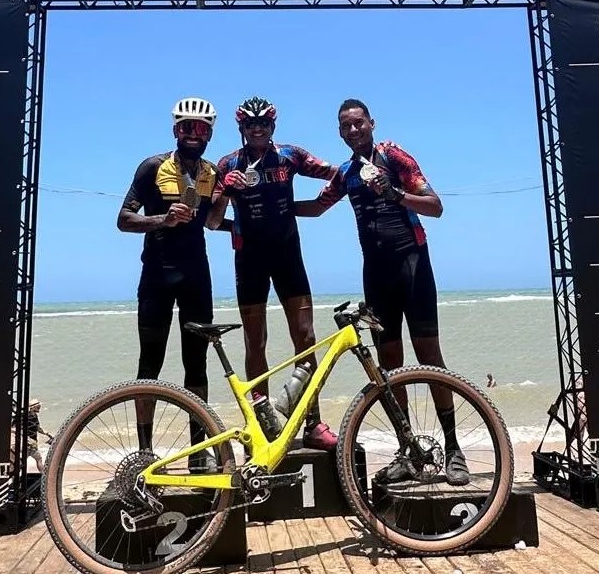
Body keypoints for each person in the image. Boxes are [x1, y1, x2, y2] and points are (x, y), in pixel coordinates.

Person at [295, 98, 469, 485]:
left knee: (429, 359)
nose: (353, 131)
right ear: (340, 133)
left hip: (413, 266)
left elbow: (436, 207)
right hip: (376, 275)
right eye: (345, 127)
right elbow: (319, 207)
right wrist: (275, 206)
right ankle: (408, 451)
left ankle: (454, 448)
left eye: (358, 123)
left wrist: (393, 194)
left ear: (371, 123)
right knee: (387, 368)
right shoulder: (346, 172)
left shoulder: (394, 156)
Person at [213, 96, 338, 451]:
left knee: (306, 338)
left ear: (273, 126)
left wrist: (319, 205)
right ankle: (261, 426)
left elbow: (336, 174)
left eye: (264, 124)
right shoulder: (228, 164)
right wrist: (227, 193)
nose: (258, 129)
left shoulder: (290, 156)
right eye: (251, 124)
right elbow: (209, 220)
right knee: (256, 343)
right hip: (249, 259)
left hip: (288, 256)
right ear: (240, 128)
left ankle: (311, 421)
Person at [117, 97, 222, 471]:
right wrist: (162, 219)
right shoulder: (152, 167)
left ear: (210, 133)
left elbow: (211, 223)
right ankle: (145, 453)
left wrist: (239, 217)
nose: (194, 134)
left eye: (202, 128)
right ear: (175, 130)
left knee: (197, 365)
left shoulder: (212, 172)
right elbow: (124, 219)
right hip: (157, 276)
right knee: (150, 363)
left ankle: (198, 453)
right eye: (187, 127)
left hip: (197, 276)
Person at [26, 398, 52, 471]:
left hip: (30, 442)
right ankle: (43, 475)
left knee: (24, 460)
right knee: (39, 459)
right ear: (32, 407)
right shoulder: (28, 416)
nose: (39, 408)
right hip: (30, 442)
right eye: (38, 407)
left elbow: (38, 428)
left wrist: (46, 433)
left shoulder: (34, 416)